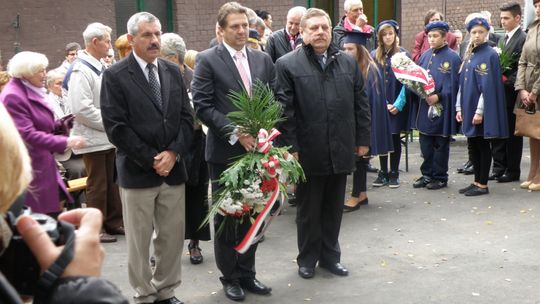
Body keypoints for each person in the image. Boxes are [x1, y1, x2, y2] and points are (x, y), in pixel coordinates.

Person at [101, 11, 193, 304]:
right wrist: (153, 159)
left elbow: (185, 119)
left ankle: (166, 291)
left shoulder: (172, 71)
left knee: (171, 237)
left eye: (157, 34)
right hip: (138, 172)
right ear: (131, 39)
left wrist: (174, 153)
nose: (155, 40)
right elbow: (116, 127)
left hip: (173, 171)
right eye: (147, 35)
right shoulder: (115, 76)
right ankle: (144, 293)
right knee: (139, 243)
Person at [0, 102, 128, 304]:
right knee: (94, 182)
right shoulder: (16, 96)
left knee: (104, 183)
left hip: (67, 153)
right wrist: (79, 287)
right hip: (69, 152)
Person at [276, 8, 370, 279]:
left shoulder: (347, 62)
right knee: (308, 210)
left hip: (341, 146)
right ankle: (307, 259)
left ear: (332, 31)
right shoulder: (286, 64)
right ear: (302, 33)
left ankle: (331, 256)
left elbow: (360, 103)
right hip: (307, 150)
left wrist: (363, 139)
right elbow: (285, 111)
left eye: (324, 28)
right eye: (313, 28)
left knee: (333, 208)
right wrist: (290, 147)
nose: (319, 32)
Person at [192, 2, 275, 301]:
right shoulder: (207, 60)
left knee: (254, 214)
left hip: (259, 152)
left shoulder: (262, 60)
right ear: (220, 30)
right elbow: (202, 105)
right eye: (235, 27)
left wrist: (266, 131)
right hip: (226, 154)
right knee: (229, 216)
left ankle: (248, 273)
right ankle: (230, 277)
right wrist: (236, 133)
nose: (241, 31)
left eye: (244, 26)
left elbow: (274, 98)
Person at [0, 51, 85, 217]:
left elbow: (38, 123)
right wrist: (65, 142)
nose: (45, 74)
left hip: (41, 166)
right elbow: (26, 135)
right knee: (38, 221)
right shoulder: (13, 96)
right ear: (27, 73)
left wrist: (60, 125)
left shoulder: (27, 90)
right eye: (41, 71)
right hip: (30, 169)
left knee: (48, 218)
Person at [65, 22, 123, 243]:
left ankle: (113, 222)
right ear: (95, 42)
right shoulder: (81, 69)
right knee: (98, 184)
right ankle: (96, 228)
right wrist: (110, 123)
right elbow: (81, 109)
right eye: (107, 40)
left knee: (111, 182)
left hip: (105, 137)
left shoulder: (96, 65)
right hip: (94, 138)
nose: (110, 44)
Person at [160, 32, 211, 265]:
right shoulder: (159, 78)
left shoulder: (193, 77)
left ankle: (194, 244)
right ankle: (163, 247)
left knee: (196, 196)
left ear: (173, 58)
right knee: (166, 200)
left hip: (195, 146)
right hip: (169, 147)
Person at [456, 17, 508, 196]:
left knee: (482, 145)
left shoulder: (490, 54)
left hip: (479, 111)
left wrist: (480, 111)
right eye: (474, 32)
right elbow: (463, 85)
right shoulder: (470, 53)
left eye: (480, 32)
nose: (477, 35)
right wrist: (459, 108)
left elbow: (487, 87)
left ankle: (483, 184)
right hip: (467, 107)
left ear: (487, 33)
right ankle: (476, 180)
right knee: (473, 145)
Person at [342, 30, 393, 212]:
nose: (346, 52)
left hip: (363, 123)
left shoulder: (369, 71)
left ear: (360, 50)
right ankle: (362, 194)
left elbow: (369, 104)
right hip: (355, 122)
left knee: (360, 159)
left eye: (350, 48)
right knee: (359, 160)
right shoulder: (353, 67)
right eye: (344, 48)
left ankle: (356, 196)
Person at [413, 21, 461, 190]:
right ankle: (427, 174)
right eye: (429, 36)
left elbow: (454, 85)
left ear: (444, 37)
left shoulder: (453, 57)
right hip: (426, 106)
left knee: (440, 144)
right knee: (425, 143)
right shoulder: (425, 55)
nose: (432, 39)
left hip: (443, 108)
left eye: (435, 36)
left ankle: (440, 176)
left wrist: (439, 96)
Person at [490, 2, 527, 183]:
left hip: (512, 93)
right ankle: (500, 167)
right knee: (501, 131)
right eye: (501, 18)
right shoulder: (502, 39)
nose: (502, 21)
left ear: (517, 18)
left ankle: (513, 170)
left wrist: (505, 80)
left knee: (513, 133)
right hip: (500, 93)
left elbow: (521, 66)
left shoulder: (523, 38)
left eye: (506, 18)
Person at [371, 20, 410, 188]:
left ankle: (394, 172)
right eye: (384, 34)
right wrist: (383, 103)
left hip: (397, 103)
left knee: (394, 138)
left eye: (390, 34)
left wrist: (398, 103)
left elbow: (408, 82)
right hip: (381, 104)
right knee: (382, 137)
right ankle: (383, 172)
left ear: (395, 35)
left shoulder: (403, 54)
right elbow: (372, 81)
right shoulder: (374, 55)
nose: (388, 37)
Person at [515, 0, 540, 191]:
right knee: (532, 131)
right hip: (529, 85)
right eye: (537, 5)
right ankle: (533, 171)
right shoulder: (532, 28)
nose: (538, 9)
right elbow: (523, 60)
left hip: (538, 88)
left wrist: (535, 92)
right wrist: (522, 88)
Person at [45, 69, 87, 183]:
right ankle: (78, 201)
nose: (63, 86)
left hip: (82, 148)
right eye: (59, 83)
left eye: (65, 83)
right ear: (49, 86)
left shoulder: (72, 98)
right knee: (79, 170)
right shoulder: (45, 104)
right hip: (63, 154)